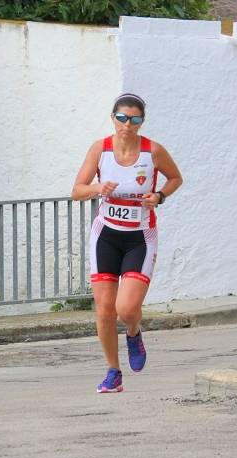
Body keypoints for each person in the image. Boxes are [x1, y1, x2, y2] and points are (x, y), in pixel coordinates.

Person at [71, 93, 183, 393]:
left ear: (141, 122)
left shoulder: (153, 151)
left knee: (126, 309)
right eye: (122, 118)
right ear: (113, 118)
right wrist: (97, 188)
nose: (127, 125)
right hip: (105, 235)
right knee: (104, 311)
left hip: (139, 237)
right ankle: (113, 371)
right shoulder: (100, 149)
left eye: (135, 120)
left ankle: (134, 332)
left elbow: (175, 178)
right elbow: (77, 190)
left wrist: (159, 196)